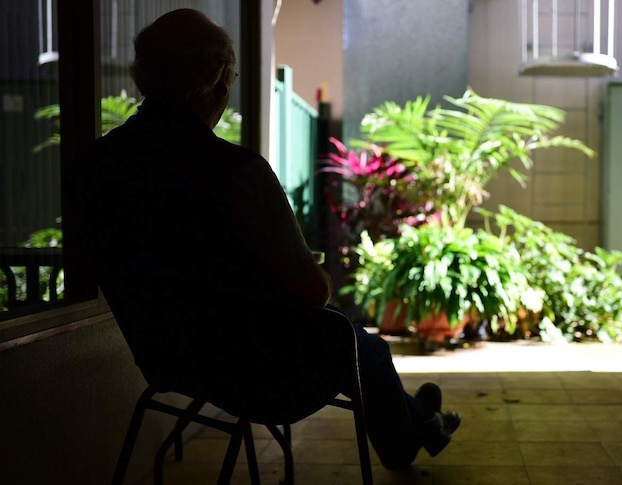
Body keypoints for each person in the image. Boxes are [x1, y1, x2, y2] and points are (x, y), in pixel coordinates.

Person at [79, 8, 460, 470]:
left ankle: (420, 419)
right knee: (362, 344)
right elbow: (312, 292)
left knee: (354, 342)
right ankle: (409, 437)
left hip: (166, 359)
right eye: (232, 77)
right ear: (219, 80)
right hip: (257, 372)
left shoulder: (99, 164)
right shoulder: (233, 171)